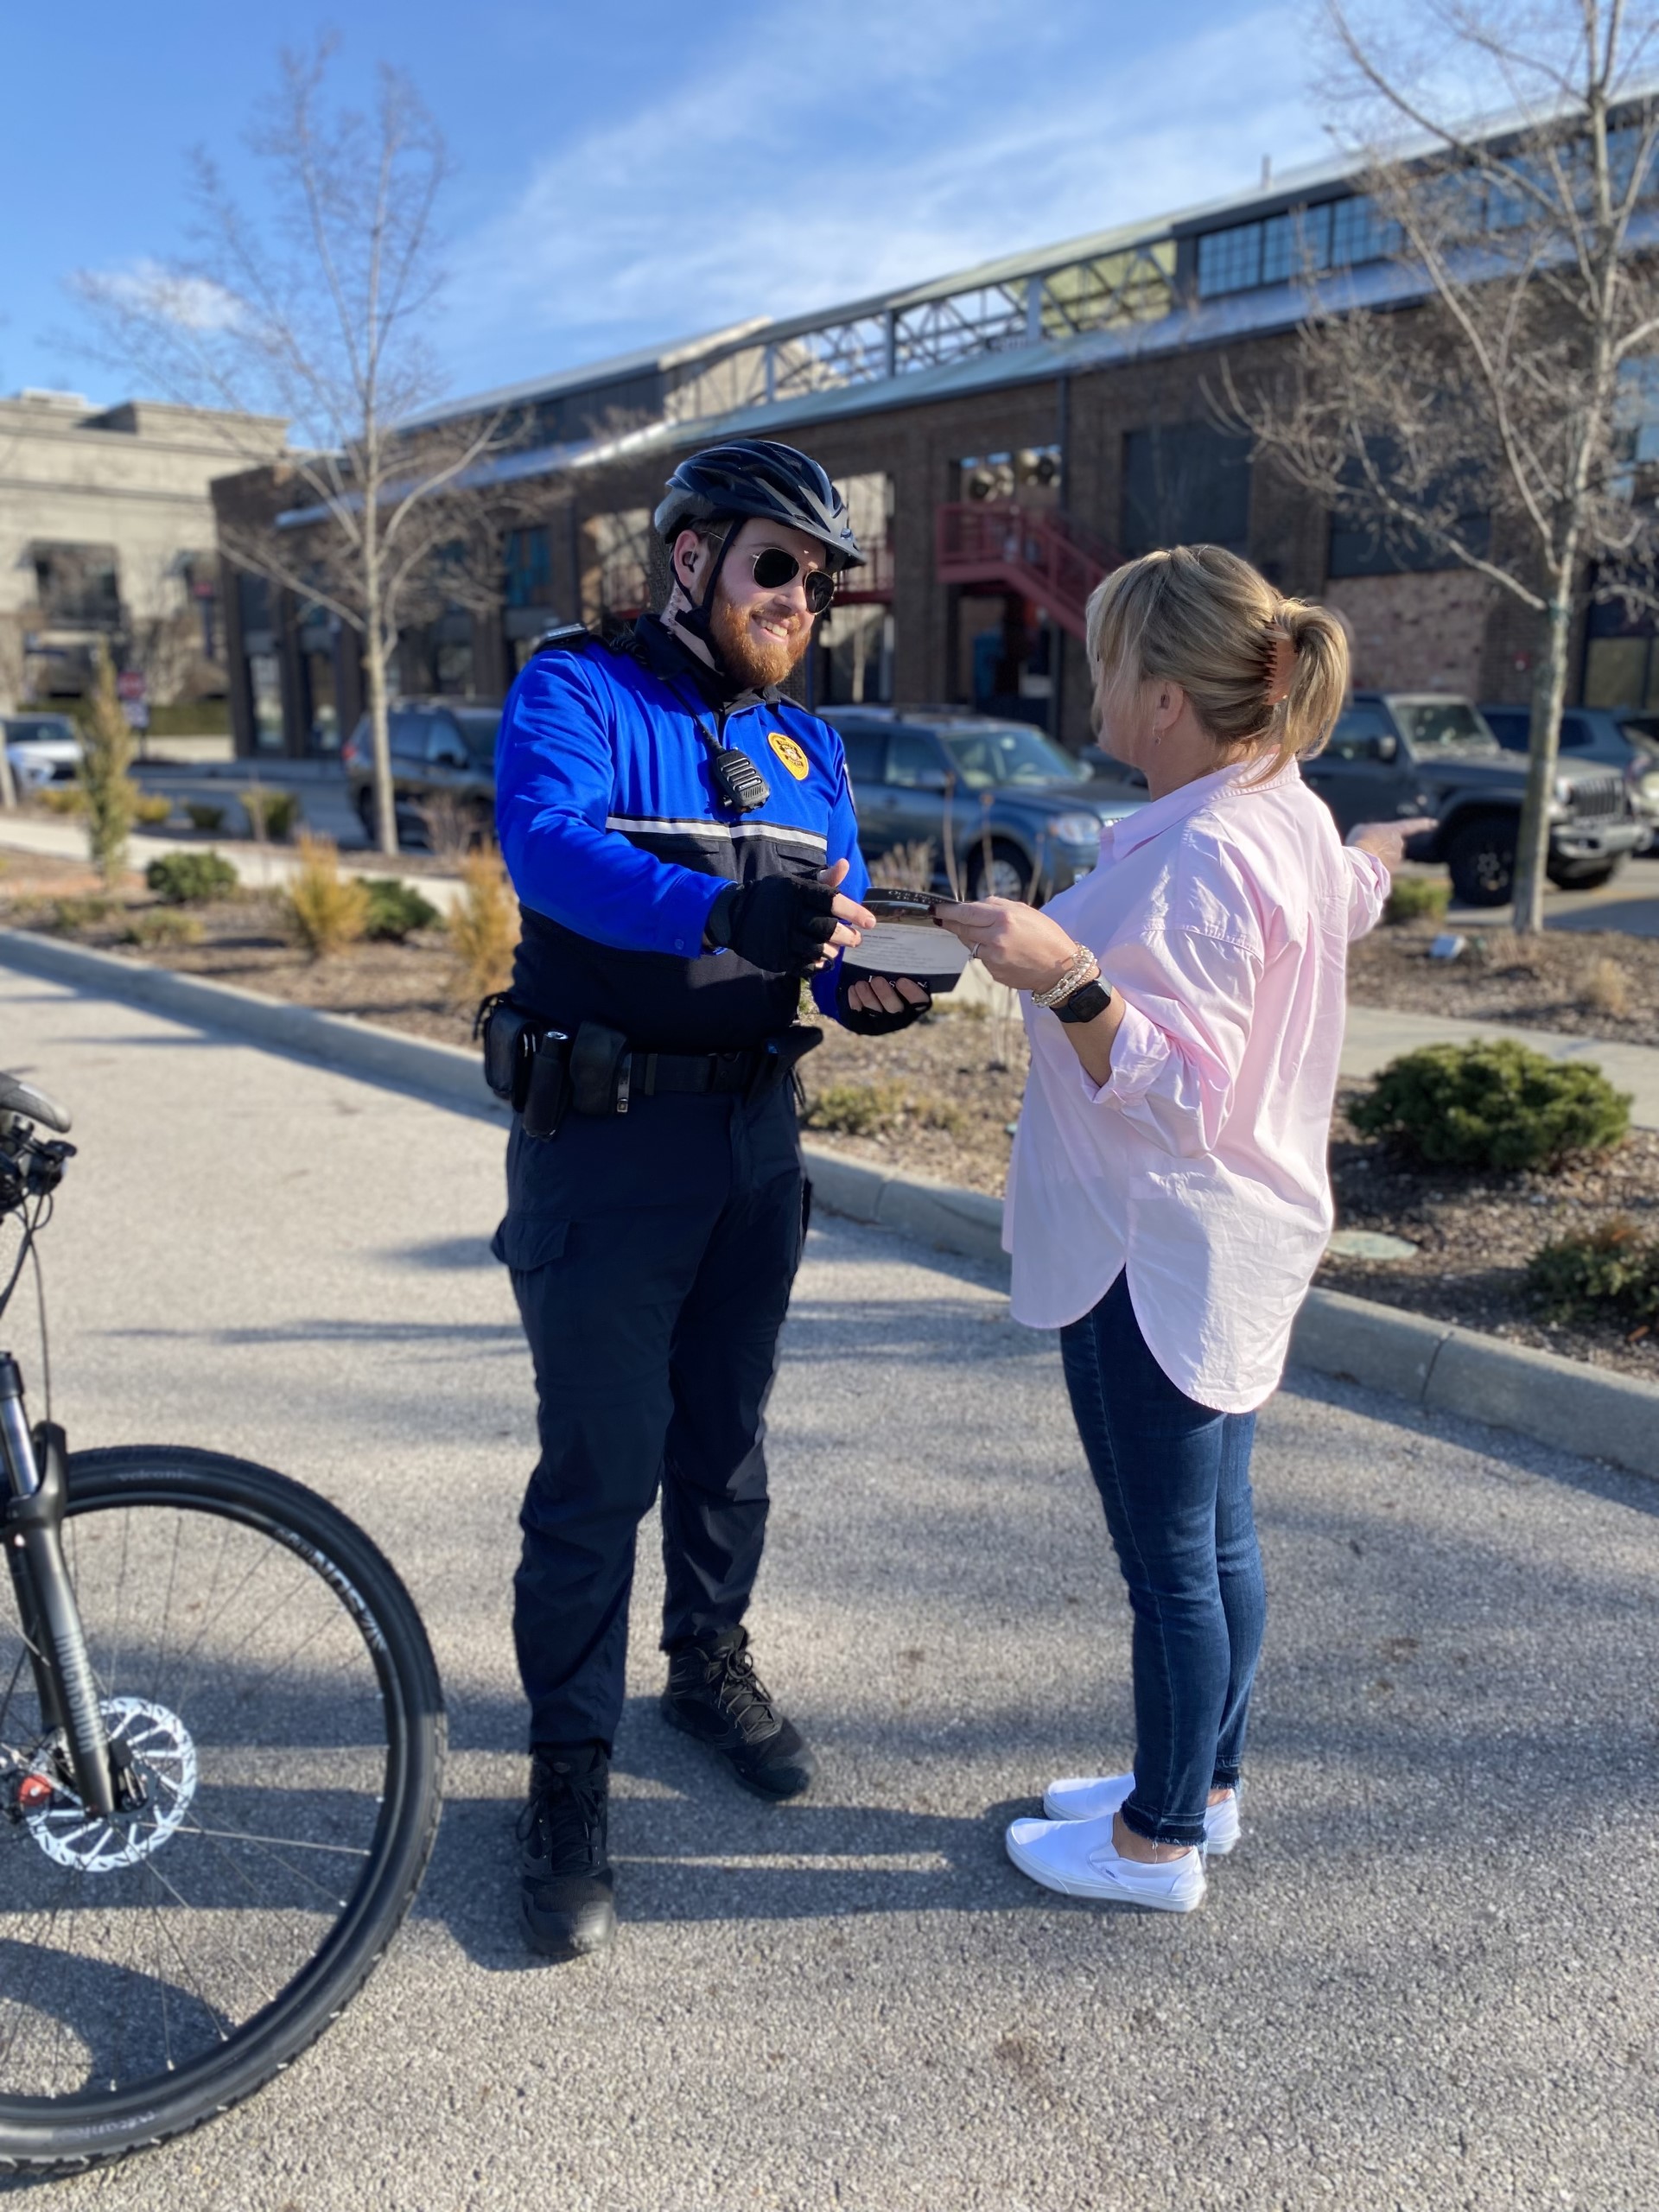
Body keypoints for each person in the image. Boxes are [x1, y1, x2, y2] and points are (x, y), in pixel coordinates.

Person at [934, 543, 1431, 1915]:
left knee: (1173, 1571)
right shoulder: (1279, 810)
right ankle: (1199, 1788)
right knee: (1217, 1543)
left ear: (1161, 694)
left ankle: (1154, 1844)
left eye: (1100, 661)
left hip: (1150, 1247)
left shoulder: (1210, 851)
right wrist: (1383, 857)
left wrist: (1063, 971)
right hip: (1226, 1241)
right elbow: (1350, 890)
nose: (1085, 683)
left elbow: (1183, 1090)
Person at [488, 439, 931, 1961]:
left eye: (820, 580)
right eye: (775, 565)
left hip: (754, 1145)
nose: (802, 597)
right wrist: (717, 907)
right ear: (692, 559)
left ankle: (707, 1662)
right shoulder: (582, 692)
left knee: (726, 1443)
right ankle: (564, 1769)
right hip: (605, 1147)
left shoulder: (813, 748)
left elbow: (839, 909)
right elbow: (548, 850)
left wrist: (868, 980)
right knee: (599, 1469)